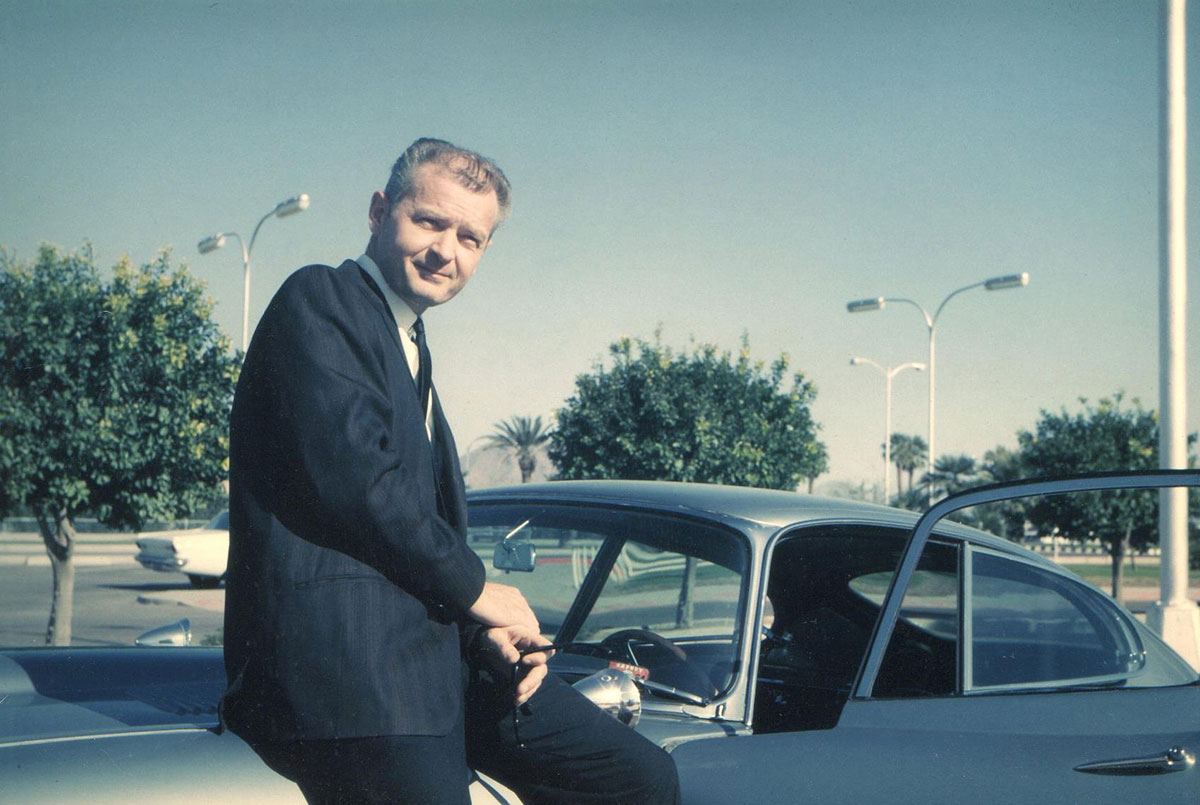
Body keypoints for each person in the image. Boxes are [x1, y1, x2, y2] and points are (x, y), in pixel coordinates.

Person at [220, 138, 679, 804]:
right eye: (429, 221)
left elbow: (410, 524)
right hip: (352, 686)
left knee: (637, 777)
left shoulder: (411, 344)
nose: (446, 250)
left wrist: (483, 633)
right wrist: (478, 589)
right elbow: (359, 484)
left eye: (470, 237)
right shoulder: (320, 300)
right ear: (380, 211)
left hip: (437, 672)